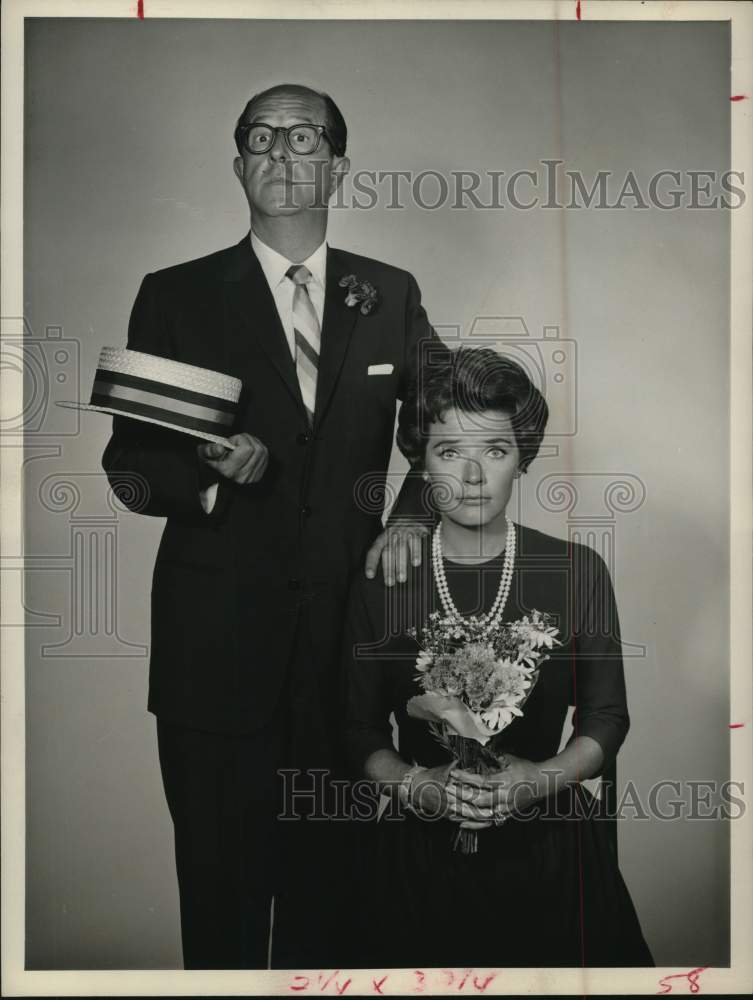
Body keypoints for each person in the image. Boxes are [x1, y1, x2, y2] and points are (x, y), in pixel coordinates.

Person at [102, 83, 437, 969]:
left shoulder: (388, 294)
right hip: (213, 661)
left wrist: (411, 518)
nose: (281, 152)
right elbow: (129, 466)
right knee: (222, 912)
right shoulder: (175, 295)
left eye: (303, 136)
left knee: (335, 914)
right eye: (261, 136)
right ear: (237, 162)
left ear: (338, 165)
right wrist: (205, 474)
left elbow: (448, 429)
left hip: (346, 657)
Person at [343, 346, 654, 967]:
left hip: (552, 860)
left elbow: (606, 719)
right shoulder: (383, 580)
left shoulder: (576, 570)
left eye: (494, 449)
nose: (473, 475)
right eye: (448, 451)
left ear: (522, 458)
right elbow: (357, 729)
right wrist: (419, 786)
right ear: (421, 462)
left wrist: (537, 781)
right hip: (417, 864)